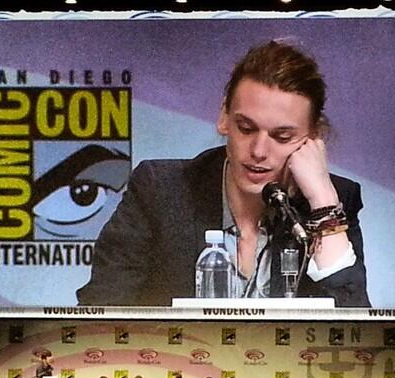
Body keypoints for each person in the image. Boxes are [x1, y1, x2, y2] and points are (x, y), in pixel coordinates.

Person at [77, 40, 370, 307]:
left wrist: (324, 204)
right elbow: (99, 312)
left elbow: (355, 332)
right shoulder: (160, 190)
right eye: (246, 128)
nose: (258, 151)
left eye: (282, 137)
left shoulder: (334, 200)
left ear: (313, 138)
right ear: (223, 118)